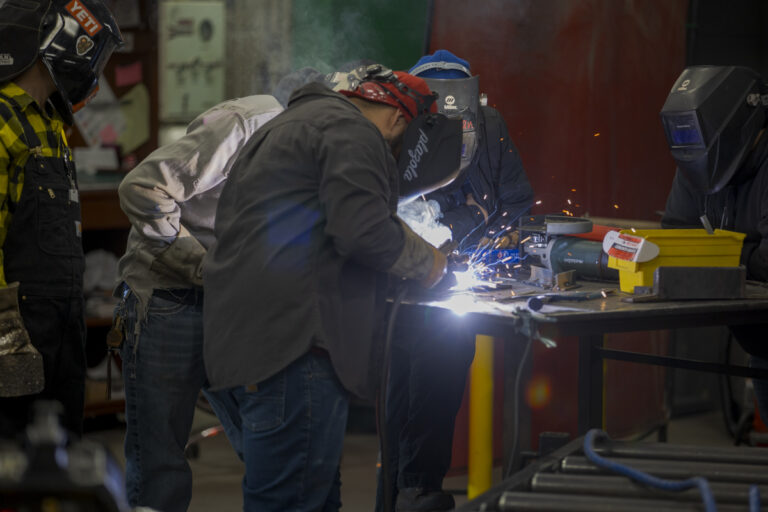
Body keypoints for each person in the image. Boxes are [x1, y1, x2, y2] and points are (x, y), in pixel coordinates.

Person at [203, 64, 453, 511]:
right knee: (293, 503)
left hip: (245, 343)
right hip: (297, 351)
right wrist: (429, 262)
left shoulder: (288, 125)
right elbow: (363, 229)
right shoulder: (352, 132)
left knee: (310, 498)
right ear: (399, 120)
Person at [379, 49, 535, 511]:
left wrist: (497, 233)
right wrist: (469, 216)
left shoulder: (489, 125)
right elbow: (398, 214)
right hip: (407, 287)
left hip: (463, 285)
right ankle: (412, 492)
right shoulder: (399, 129)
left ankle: (417, 489)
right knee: (404, 404)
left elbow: (516, 201)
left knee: (438, 389)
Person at [113, 92, 284, 512]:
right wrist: (205, 267)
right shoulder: (244, 125)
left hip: (233, 301)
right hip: (170, 297)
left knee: (266, 441)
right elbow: (143, 189)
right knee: (161, 463)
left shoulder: (328, 151)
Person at [0, 0, 122, 439]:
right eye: (96, 54)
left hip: (63, 324)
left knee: (63, 448)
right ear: (70, 42)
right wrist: (5, 333)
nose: (96, 69)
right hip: (19, 328)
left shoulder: (52, 124)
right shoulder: (2, 120)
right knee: (14, 452)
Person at [659, 65, 768, 424]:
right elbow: (676, 238)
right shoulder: (700, 159)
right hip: (760, 346)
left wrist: (718, 251)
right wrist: (742, 252)